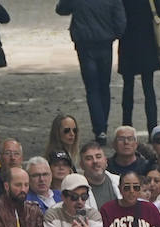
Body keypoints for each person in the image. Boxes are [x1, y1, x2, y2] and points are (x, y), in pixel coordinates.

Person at [55, 0, 126, 143]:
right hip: (105, 42)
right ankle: (102, 127)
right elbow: (120, 21)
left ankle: (99, 129)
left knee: (92, 88)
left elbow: (61, 9)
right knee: (104, 86)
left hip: (84, 42)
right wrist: (114, 34)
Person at [117, 0, 160, 134]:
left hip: (127, 40)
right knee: (148, 87)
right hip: (147, 40)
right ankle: (152, 128)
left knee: (128, 87)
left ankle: (126, 125)